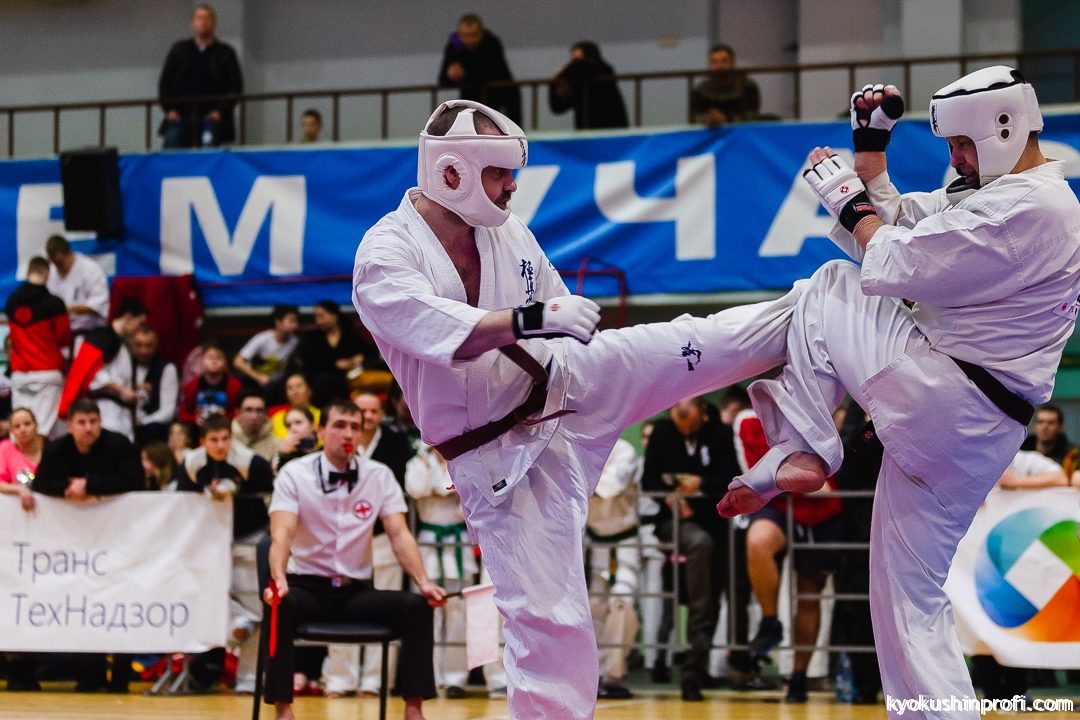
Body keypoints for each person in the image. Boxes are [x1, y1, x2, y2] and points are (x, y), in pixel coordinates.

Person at [352, 98, 802, 718]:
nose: (512, 186)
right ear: (451, 172)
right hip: (501, 457)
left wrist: (557, 324)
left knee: (686, 344)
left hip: (569, 380)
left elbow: (555, 312)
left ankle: (814, 312)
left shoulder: (506, 231)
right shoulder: (384, 255)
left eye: (512, 173)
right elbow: (444, 330)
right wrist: (532, 318)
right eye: (498, 174)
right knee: (552, 621)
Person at [716, 67, 1080, 719]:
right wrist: (869, 154)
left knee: (832, 284)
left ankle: (804, 447)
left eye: (963, 145)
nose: (956, 159)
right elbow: (908, 224)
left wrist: (847, 203)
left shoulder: (1037, 207)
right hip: (970, 428)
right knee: (905, 596)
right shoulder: (1001, 195)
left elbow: (897, 262)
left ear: (1003, 128)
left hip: (950, 396)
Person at [263, 400, 446, 720]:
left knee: (417, 607)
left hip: (355, 591)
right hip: (307, 588)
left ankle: (414, 709)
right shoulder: (295, 474)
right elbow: (282, 533)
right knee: (280, 605)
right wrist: (278, 578)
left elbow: (399, 533)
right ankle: (283, 709)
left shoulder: (379, 475)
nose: (348, 434)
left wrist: (424, 582)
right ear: (321, 431)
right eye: (339, 426)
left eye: (354, 427)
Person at [33, 399, 143, 692]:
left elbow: (136, 481)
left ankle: (120, 677)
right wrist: (68, 489)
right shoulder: (57, 449)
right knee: (84, 603)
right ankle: (90, 676)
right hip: (75, 544)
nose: (88, 428)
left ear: (100, 422)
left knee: (120, 604)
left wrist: (90, 485)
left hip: (117, 538)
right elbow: (41, 485)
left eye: (93, 421)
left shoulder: (119, 445)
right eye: (81, 423)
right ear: (70, 426)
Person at [640, 397, 746, 700]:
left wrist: (700, 484)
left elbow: (731, 477)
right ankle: (689, 669)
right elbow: (649, 480)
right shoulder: (662, 432)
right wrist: (669, 498)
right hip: (674, 521)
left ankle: (697, 668)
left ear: (702, 412)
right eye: (676, 416)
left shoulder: (721, 434)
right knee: (700, 547)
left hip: (715, 521)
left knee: (715, 593)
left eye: (687, 417)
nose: (682, 425)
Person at [735, 407, 842, 703]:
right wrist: (798, 480)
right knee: (758, 541)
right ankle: (770, 621)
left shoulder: (819, 411)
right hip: (778, 504)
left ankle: (798, 677)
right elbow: (760, 474)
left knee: (808, 597)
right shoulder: (748, 421)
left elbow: (825, 477)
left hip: (820, 513)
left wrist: (800, 479)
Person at [325, 391, 415, 697]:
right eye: (361, 412)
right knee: (340, 607)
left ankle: (376, 681)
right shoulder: (338, 445)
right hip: (344, 541)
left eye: (373, 411)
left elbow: (398, 489)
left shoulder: (395, 443)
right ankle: (340, 679)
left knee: (384, 608)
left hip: (382, 536)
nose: (367, 417)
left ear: (381, 414)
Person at [176, 413, 274, 693]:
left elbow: (271, 494)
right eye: (214, 440)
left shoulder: (251, 462)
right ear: (202, 441)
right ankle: (235, 625)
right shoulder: (191, 463)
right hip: (211, 540)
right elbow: (183, 500)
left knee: (255, 604)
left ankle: (249, 679)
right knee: (208, 594)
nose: (221, 445)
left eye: (225, 439)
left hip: (249, 537)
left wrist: (237, 490)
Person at [405, 445, 507, 698]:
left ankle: (455, 678)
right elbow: (415, 489)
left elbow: (469, 498)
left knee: (458, 614)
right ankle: (428, 676)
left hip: (458, 541)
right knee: (428, 613)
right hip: (428, 541)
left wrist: (439, 491)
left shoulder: (464, 458)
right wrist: (441, 488)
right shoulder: (418, 461)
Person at [585, 437, 641, 700]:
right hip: (593, 543)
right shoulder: (581, 447)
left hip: (624, 543)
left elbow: (609, 487)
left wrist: (587, 482)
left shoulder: (624, 450)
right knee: (594, 607)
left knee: (622, 603)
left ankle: (615, 673)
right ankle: (594, 675)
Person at [158, 3, 243, 148]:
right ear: (192, 23)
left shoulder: (225, 53)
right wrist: (169, 109)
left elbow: (236, 86)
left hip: (212, 115)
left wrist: (220, 111)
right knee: (172, 144)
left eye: (207, 18)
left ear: (214, 23)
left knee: (209, 147)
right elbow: (164, 83)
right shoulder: (178, 50)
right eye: (199, 18)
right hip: (181, 114)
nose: (203, 22)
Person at [5, 257, 71, 438]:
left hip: (20, 375)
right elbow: (64, 338)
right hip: (48, 374)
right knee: (46, 432)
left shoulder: (11, 302)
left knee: (19, 431)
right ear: (48, 274)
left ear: (28, 273)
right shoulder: (55, 304)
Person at [438, 14, 521, 124]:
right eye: (465, 35)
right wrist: (450, 75)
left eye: (474, 35)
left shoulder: (491, 42)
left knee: (511, 127)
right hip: (472, 96)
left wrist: (464, 74)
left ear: (481, 33)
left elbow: (490, 72)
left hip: (502, 93)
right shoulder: (454, 44)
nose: (470, 40)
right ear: (459, 35)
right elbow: (443, 79)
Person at [86, 298, 148, 442]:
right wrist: (120, 390)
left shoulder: (123, 344)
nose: (140, 329)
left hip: (123, 414)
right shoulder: (103, 338)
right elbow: (92, 375)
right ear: (128, 318)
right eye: (140, 323)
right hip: (106, 411)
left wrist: (136, 389)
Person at [295, 300, 370, 406]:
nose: (318, 321)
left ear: (334, 316)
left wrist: (353, 361)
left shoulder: (350, 336)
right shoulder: (312, 337)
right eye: (316, 317)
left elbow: (369, 354)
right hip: (319, 381)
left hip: (347, 378)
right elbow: (306, 362)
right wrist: (335, 364)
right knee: (324, 380)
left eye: (321, 316)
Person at [549, 41, 628, 130]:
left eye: (576, 60)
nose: (573, 64)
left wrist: (562, 73)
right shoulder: (579, 83)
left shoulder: (602, 71)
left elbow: (580, 67)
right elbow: (558, 107)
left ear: (591, 58)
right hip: (588, 132)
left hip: (610, 130)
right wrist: (556, 83)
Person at [44, 235, 109, 336]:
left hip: (90, 331)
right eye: (55, 263)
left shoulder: (91, 270)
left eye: (60, 263)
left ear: (69, 253)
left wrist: (66, 309)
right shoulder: (51, 272)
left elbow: (98, 306)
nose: (58, 267)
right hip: (61, 332)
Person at [233, 305, 300, 400]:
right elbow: (237, 362)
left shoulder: (294, 342)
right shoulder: (262, 339)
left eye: (296, 322)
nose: (295, 325)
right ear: (278, 322)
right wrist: (258, 377)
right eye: (292, 321)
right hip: (255, 382)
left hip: (277, 384)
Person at [690, 44, 761, 128]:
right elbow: (694, 118)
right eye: (714, 62)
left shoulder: (747, 86)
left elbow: (751, 117)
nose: (719, 66)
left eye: (724, 61)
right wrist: (707, 120)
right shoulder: (701, 89)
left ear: (733, 64)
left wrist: (727, 120)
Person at [178, 339, 243, 428]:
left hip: (226, 427)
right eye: (210, 357)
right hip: (198, 428)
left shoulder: (234, 385)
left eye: (219, 358)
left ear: (225, 362)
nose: (214, 361)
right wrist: (194, 419)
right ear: (202, 361)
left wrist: (226, 417)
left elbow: (238, 411)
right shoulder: (191, 386)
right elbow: (183, 413)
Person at [131, 326, 179, 446]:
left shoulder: (167, 368)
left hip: (152, 428)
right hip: (127, 422)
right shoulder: (126, 365)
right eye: (139, 345)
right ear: (132, 345)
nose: (144, 351)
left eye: (149, 346)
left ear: (156, 346)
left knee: (153, 430)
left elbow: (168, 412)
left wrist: (142, 422)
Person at [0, 407, 45, 512]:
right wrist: (20, 489)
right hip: (17, 513)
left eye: (27, 424)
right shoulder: (5, 449)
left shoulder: (49, 449)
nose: (23, 429)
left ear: (36, 425)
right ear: (12, 431)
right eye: (17, 426)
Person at [1020, 404, 1079, 471]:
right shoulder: (1021, 450)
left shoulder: (1072, 454)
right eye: (1040, 422)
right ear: (1034, 426)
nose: (1044, 427)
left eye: (1051, 423)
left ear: (1061, 427)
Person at [268, 373, 320, 439]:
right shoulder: (277, 419)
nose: (295, 391)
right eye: (290, 388)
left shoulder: (320, 416)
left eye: (299, 386)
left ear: (309, 391)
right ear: (286, 394)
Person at [232, 389, 279, 462]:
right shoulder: (224, 442)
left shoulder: (278, 446)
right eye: (248, 410)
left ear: (266, 414)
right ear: (237, 413)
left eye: (259, 410)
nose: (254, 416)